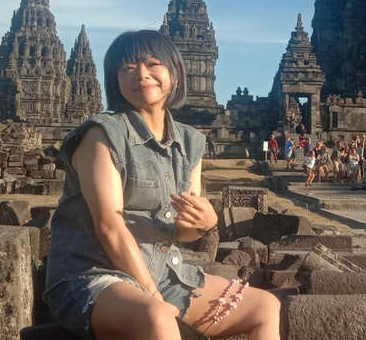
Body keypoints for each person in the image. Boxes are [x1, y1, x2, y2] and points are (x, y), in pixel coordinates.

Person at [44, 30, 280, 340]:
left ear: (175, 73)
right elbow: (110, 228)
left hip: (162, 271)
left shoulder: (190, 143)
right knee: (158, 318)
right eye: (127, 68)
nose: (141, 74)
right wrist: (154, 297)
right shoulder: (101, 135)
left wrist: (207, 223)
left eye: (152, 63)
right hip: (93, 277)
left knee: (265, 306)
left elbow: (182, 231)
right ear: (115, 80)